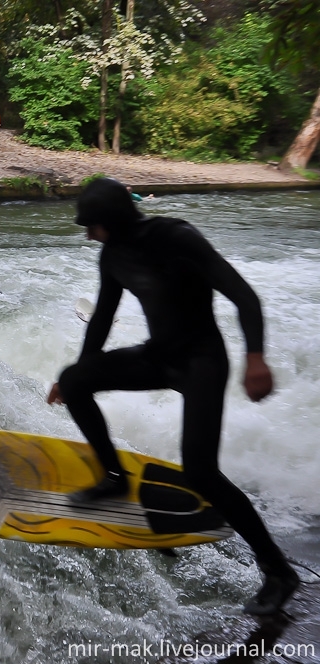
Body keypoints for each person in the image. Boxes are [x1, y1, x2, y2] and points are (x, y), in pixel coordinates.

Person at [46, 177, 299, 616]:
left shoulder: (178, 237)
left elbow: (244, 296)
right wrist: (76, 375)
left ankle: (279, 571)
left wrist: (255, 359)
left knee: (201, 472)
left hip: (203, 361)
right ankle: (114, 476)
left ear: (114, 220)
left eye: (92, 226)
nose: (88, 235)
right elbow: (102, 318)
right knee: (74, 380)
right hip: (160, 356)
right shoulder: (113, 256)